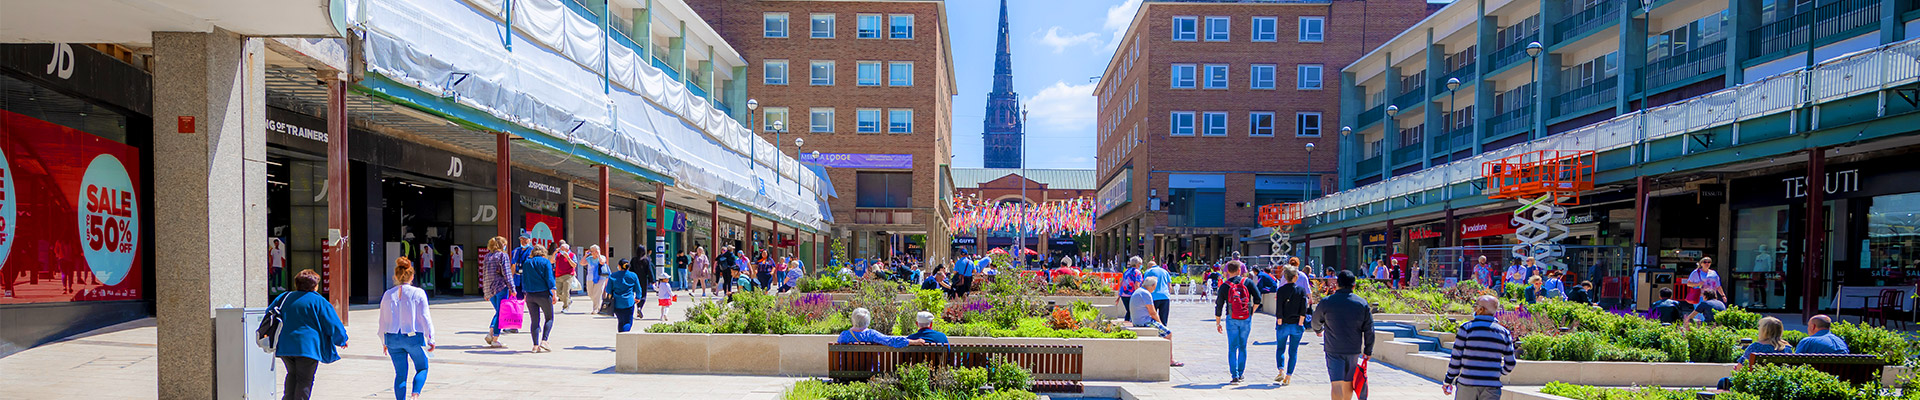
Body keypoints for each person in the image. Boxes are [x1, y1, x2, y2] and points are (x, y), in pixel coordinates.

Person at [273, 270, 349, 400]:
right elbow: (333, 324)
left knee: (292, 375)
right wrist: (342, 340)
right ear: (315, 286)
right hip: (308, 347)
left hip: (285, 346)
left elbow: (270, 314)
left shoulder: (284, 298)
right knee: (304, 380)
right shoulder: (318, 301)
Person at [379, 257, 436, 400]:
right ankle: (415, 395)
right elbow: (425, 317)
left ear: (396, 276)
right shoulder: (418, 293)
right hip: (412, 337)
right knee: (422, 367)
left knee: (400, 374)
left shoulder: (387, 294)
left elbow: (382, 320)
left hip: (392, 338)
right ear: (412, 276)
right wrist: (430, 338)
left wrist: (383, 341)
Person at [1314, 271, 1375, 400]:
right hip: (1353, 349)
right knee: (1348, 382)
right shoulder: (1362, 304)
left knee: (1336, 383)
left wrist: (1318, 329)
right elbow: (1369, 329)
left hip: (1333, 348)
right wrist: (1368, 350)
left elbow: (1315, 321)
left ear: (1337, 284)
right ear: (1354, 286)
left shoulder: (1327, 302)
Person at [1443, 295, 1517, 400]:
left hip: (1467, 384)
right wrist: (1499, 373)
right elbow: (1511, 363)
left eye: (1475, 305)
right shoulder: (1504, 332)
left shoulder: (1466, 328)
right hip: (1491, 386)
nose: (1474, 308)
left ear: (1481, 309)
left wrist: (1448, 380)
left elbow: (1456, 358)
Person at [1213, 260, 1261, 384]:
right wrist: (1251, 312)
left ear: (1228, 271)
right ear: (1239, 270)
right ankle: (1241, 374)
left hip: (1231, 318)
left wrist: (1218, 323)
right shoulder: (1248, 282)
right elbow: (1258, 299)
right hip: (1245, 318)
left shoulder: (1225, 286)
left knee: (1232, 347)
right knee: (1243, 346)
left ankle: (1234, 375)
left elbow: (1219, 305)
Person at [1717, 316, 1795, 390]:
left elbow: (1740, 369)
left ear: (1763, 331)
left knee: (1722, 381)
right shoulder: (1787, 349)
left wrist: (1736, 368)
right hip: (1778, 385)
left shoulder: (1755, 347)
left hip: (1755, 384)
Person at [1130, 276, 1183, 367]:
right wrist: (1161, 324)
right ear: (1153, 285)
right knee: (1168, 333)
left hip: (1137, 320)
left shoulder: (1138, 291)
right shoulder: (1146, 294)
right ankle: (1170, 360)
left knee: (1162, 333)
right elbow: (1153, 313)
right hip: (1144, 322)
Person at [1274, 266, 1311, 385]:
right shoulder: (1301, 290)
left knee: (1280, 348)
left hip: (1283, 323)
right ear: (1295, 277)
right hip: (1296, 324)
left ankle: (1281, 370)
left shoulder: (1281, 290)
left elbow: (1279, 308)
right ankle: (1288, 376)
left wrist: (1279, 321)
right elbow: (1303, 308)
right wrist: (1301, 322)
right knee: (1293, 351)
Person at [519, 245, 558, 353]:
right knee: (549, 318)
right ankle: (544, 340)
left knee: (534, 320)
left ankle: (535, 345)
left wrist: (525, 293)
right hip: (543, 293)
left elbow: (524, 279)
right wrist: (554, 293)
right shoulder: (546, 262)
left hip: (530, 294)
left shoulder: (527, 263)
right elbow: (549, 278)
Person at [480, 236, 515, 348]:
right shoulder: (502, 256)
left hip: (490, 289)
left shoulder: (487, 257)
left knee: (499, 312)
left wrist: (485, 292)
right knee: (501, 313)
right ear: (501, 245)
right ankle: (495, 338)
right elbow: (507, 273)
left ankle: (491, 333)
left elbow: (484, 274)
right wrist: (512, 288)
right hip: (500, 287)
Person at [836, 308, 926, 347]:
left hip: (846, 371)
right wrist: (913, 342)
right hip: (870, 371)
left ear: (853, 319)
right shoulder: (871, 334)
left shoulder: (844, 335)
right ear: (868, 320)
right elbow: (890, 341)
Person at [605, 259, 641, 332]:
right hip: (629, 302)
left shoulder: (613, 276)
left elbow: (608, 290)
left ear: (619, 266)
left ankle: (620, 336)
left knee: (620, 321)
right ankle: (624, 335)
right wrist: (638, 297)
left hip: (616, 303)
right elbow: (638, 289)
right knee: (627, 322)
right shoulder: (633, 275)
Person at [1144, 259, 1173, 323]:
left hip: (1153, 296)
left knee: (1152, 317)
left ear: (1148, 266)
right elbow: (1169, 286)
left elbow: (1145, 284)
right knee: (1164, 319)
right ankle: (1164, 328)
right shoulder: (1165, 271)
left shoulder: (1148, 271)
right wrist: (1168, 294)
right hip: (1165, 296)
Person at [1118, 258, 1144, 322]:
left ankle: (1126, 322)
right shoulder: (1138, 272)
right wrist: (1138, 296)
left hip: (1124, 294)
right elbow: (1137, 285)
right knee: (1132, 312)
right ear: (1137, 264)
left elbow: (1121, 282)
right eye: (1140, 264)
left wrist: (1119, 294)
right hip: (1132, 294)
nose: (1141, 265)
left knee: (1129, 311)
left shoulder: (1126, 271)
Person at [583, 245, 608, 314]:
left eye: (593, 251)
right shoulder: (589, 259)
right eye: (591, 251)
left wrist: (599, 254)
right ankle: (598, 305)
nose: (592, 252)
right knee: (590, 293)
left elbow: (602, 262)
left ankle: (595, 309)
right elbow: (582, 263)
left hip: (600, 278)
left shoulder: (602, 257)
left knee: (597, 293)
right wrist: (585, 255)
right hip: (590, 278)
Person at [552, 243, 577, 313]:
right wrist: (554, 253)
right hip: (558, 275)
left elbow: (574, 265)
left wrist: (568, 257)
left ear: (567, 249)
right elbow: (552, 261)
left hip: (568, 275)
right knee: (558, 293)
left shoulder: (572, 255)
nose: (561, 250)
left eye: (563, 249)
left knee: (565, 292)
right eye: (561, 249)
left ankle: (565, 307)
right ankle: (568, 301)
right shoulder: (558, 255)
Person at [634, 247, 655, 319]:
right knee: (643, 295)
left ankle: (637, 306)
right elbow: (649, 271)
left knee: (637, 293)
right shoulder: (646, 260)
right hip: (643, 279)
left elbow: (631, 270)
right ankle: (640, 307)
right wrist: (652, 280)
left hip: (635, 279)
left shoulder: (634, 260)